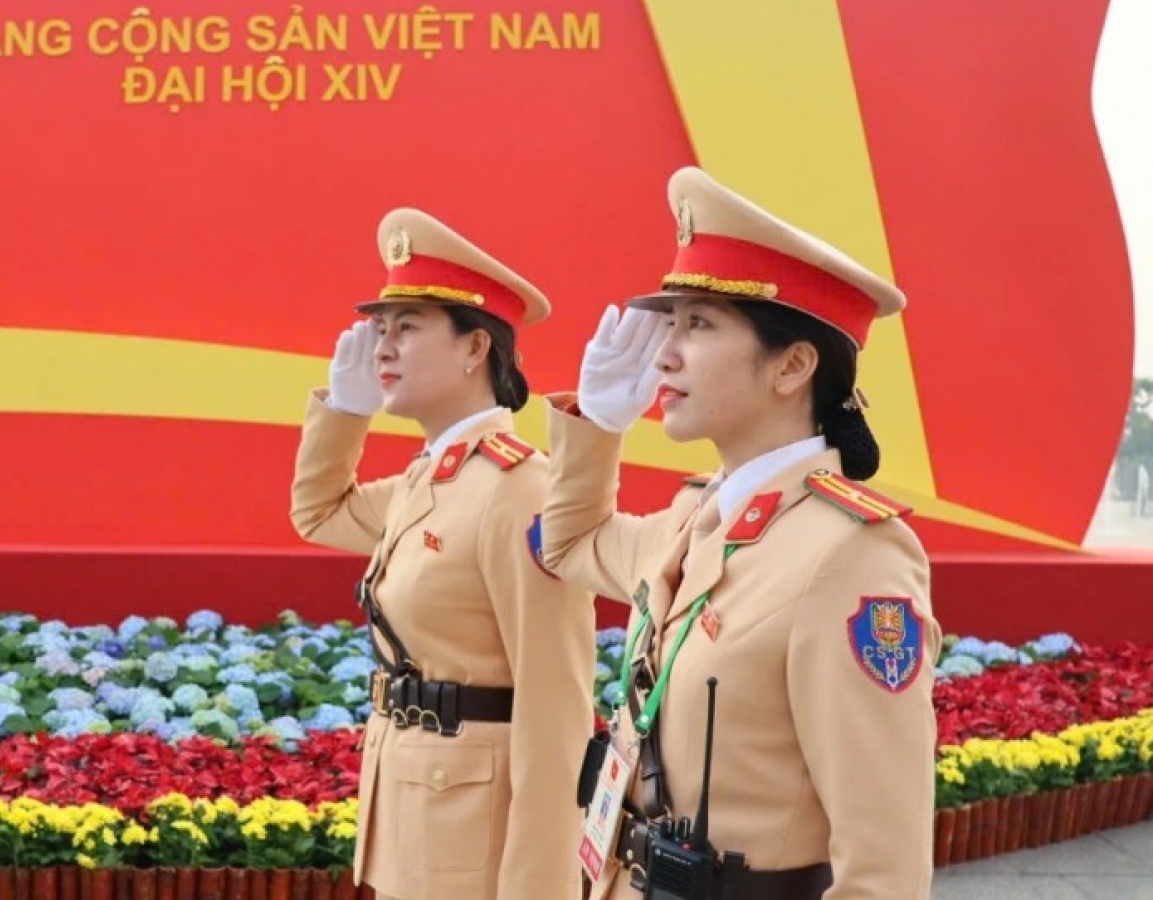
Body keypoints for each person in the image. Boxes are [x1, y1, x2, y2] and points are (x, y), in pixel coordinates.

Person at [540, 167, 941, 900]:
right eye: (672, 323)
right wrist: (596, 425)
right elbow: (567, 545)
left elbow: (884, 864)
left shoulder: (849, 554)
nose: (664, 353)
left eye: (699, 325)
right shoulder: (696, 519)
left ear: (791, 365)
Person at [290, 208, 597, 900]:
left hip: (476, 845)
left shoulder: (516, 491)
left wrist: (540, 886)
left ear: (473, 348)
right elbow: (319, 513)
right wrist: (346, 410)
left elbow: (558, 705)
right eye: (381, 329)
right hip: (416, 819)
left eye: (408, 328)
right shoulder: (433, 477)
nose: (383, 348)